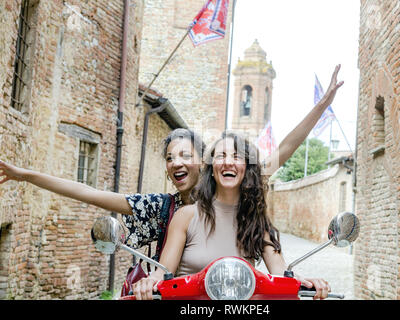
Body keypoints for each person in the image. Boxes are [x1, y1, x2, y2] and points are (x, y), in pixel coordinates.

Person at [0, 65, 343, 259]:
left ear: (205, 162)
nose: (176, 163)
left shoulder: (241, 200)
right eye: (169, 158)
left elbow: (286, 147)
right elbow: (90, 192)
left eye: (185, 155)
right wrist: (26, 175)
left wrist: (322, 105)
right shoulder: (165, 208)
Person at [132, 131, 331, 300]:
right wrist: (149, 282)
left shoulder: (256, 222)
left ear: (247, 169)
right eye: (221, 156)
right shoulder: (185, 216)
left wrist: (308, 282)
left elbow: (281, 274)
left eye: (236, 157)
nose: (228, 162)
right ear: (210, 169)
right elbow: (162, 272)